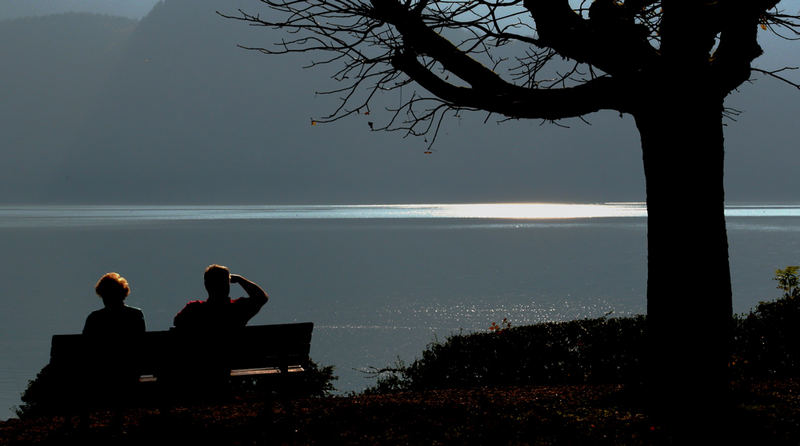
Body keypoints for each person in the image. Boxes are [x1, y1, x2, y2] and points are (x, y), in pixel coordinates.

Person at [173, 264, 269, 330]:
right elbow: (261, 298)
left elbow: (178, 322)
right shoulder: (237, 309)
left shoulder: (194, 309)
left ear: (207, 285)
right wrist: (240, 279)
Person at [83, 272, 145, 336]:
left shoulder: (95, 317)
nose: (106, 299)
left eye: (111, 295)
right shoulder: (135, 314)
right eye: (105, 295)